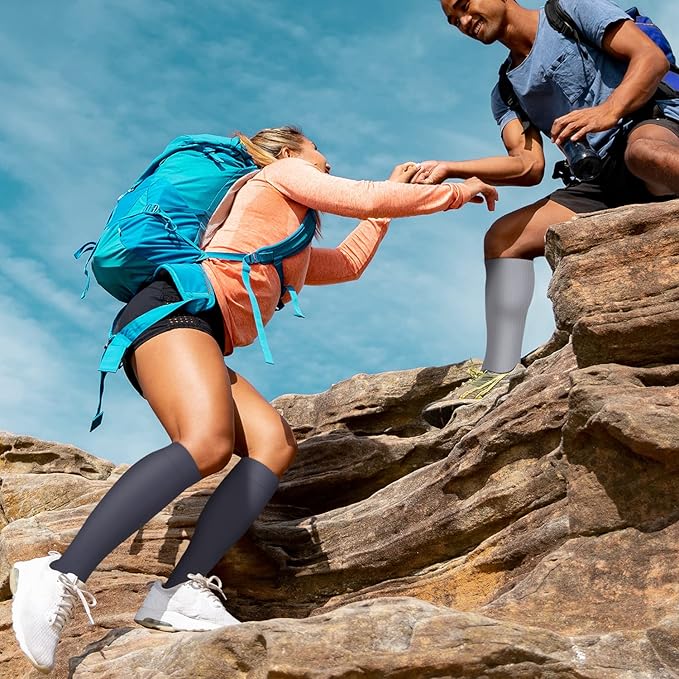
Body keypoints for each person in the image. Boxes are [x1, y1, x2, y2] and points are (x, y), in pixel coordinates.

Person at [10, 125, 497, 673]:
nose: (326, 160)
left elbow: (348, 263)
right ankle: (60, 572)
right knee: (205, 444)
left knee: (272, 443)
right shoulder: (280, 173)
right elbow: (362, 196)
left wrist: (385, 209)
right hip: (174, 310)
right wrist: (456, 190)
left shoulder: (290, 235)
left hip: (201, 330)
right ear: (288, 151)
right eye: (319, 150)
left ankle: (181, 591)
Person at [417, 0, 679, 427]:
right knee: (503, 239)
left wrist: (609, 111)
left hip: (653, 127)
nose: (462, 22)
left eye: (464, 6)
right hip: (602, 179)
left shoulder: (570, 11)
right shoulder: (506, 91)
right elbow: (527, 166)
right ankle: (497, 372)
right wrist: (451, 168)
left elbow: (651, 58)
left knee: (643, 153)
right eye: (453, 20)